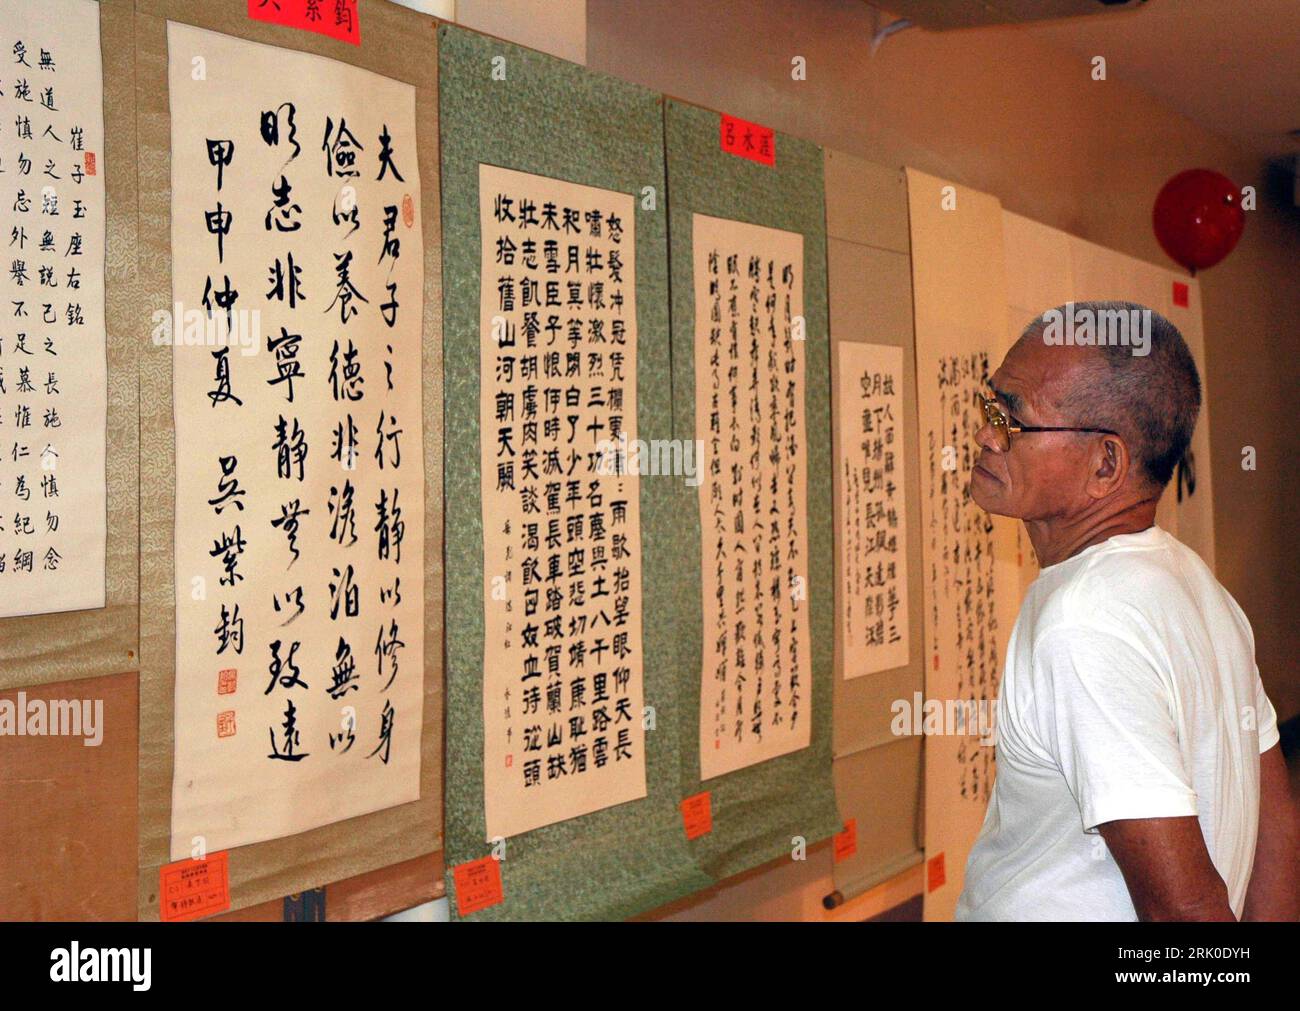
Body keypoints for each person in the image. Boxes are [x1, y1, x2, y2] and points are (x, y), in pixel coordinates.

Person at [954, 300, 1297, 921]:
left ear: (1104, 465)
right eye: (991, 403)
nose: (985, 433)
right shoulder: (1192, 583)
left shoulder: (1085, 623)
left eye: (1013, 417)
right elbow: (1278, 836)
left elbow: (1185, 911)